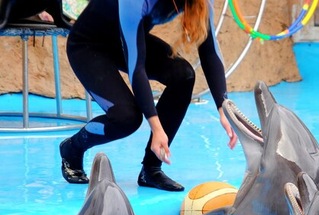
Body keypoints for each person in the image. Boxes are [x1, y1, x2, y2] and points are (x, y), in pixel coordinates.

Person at [59, 0, 238, 192]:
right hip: (88, 46)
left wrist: (223, 106)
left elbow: (209, 50)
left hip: (124, 41)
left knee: (183, 75)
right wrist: (156, 127)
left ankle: (151, 169)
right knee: (126, 118)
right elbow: (137, 68)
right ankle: (72, 148)